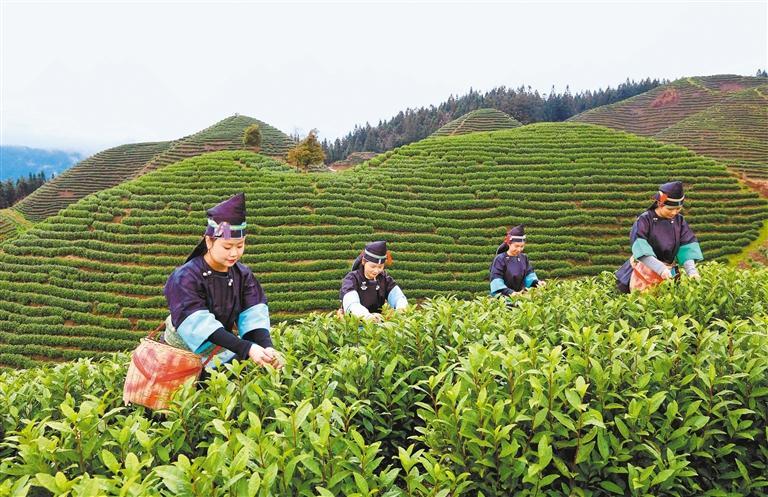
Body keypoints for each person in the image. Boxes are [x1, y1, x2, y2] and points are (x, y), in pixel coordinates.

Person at [163, 192, 284, 370]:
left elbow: (253, 315)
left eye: (240, 245)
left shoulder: (242, 275)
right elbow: (198, 323)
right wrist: (247, 348)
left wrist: (266, 347)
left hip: (221, 353)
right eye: (227, 247)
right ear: (209, 241)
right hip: (180, 357)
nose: (234, 253)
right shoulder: (185, 277)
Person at [615, 181, 703, 293]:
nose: (674, 213)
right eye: (670, 209)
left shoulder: (679, 221)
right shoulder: (644, 220)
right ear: (659, 204)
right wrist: (660, 269)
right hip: (643, 271)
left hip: (669, 271)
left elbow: (687, 246)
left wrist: (691, 271)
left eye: (678, 209)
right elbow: (641, 248)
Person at [339, 241, 408, 322]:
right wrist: (366, 316)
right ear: (364, 261)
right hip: (357, 323)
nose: (376, 271)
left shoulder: (384, 279)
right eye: (373, 266)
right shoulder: (352, 279)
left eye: (380, 267)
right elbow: (351, 302)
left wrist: (401, 308)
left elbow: (397, 297)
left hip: (377, 323)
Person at [489, 224, 544, 298]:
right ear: (509, 244)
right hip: (504, 299)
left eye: (522, 246)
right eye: (516, 246)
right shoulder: (500, 259)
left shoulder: (524, 258)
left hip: (520, 298)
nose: (519, 249)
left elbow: (529, 276)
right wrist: (511, 293)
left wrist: (538, 283)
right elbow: (496, 281)